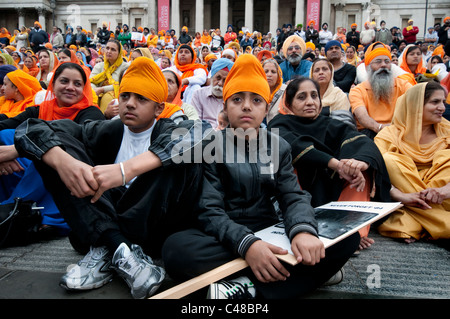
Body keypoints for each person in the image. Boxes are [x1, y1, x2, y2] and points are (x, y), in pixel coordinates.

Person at [162, 54, 360, 299]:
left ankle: (242, 287)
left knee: (346, 238)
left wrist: (302, 231)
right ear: (225, 107)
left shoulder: (278, 146)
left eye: (256, 100)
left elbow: (293, 197)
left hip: (269, 228)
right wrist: (248, 246)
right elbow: (209, 211)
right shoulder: (209, 146)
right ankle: (292, 276)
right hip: (226, 236)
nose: (246, 106)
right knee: (176, 250)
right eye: (237, 99)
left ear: (266, 108)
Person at [12, 56, 210, 299]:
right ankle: (122, 252)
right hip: (113, 211)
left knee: (183, 160)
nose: (130, 104)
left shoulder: (168, 127)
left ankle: (106, 244)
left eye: (141, 98)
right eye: (125, 96)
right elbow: (31, 129)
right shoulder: (108, 129)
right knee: (51, 149)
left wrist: (126, 170)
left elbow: (202, 135)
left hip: (155, 222)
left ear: (159, 108)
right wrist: (63, 162)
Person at [268, 76, 391, 250]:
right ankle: (311, 226)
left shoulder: (331, 123)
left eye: (314, 96)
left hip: (330, 187)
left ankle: (349, 230)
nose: (310, 102)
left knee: (361, 172)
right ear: (289, 103)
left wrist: (357, 163)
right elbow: (292, 146)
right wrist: (335, 164)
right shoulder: (279, 124)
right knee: (289, 163)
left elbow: (360, 142)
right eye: (301, 97)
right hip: (300, 194)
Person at [0, 62, 105, 234]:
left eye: (77, 84)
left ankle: (16, 209)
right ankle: (14, 206)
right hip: (29, 173)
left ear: (84, 88)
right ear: (53, 84)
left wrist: (18, 149)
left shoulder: (91, 114)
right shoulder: (40, 110)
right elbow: (4, 125)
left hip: (70, 179)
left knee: (49, 152)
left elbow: (74, 142)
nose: (70, 88)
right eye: (64, 81)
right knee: (5, 136)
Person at [374, 82, 450, 243]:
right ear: (415, 105)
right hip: (403, 196)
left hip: (444, 197)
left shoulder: (447, 130)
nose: (442, 108)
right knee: (389, 160)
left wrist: (444, 191)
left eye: (443, 102)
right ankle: (442, 224)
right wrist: (400, 196)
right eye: (435, 102)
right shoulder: (389, 135)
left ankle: (420, 221)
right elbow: (375, 172)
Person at [349, 43, 412, 139]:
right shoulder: (358, 90)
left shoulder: (403, 85)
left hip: (400, 131)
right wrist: (379, 127)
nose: (383, 65)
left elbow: (415, 108)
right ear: (368, 67)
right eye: (378, 62)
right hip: (370, 133)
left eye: (387, 62)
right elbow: (362, 117)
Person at [309, 58, 355, 129]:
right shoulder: (307, 96)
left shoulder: (339, 96)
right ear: (312, 75)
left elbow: (342, 124)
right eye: (316, 70)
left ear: (331, 73)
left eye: (325, 69)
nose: (321, 72)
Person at [190, 57, 233, 129]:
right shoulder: (198, 95)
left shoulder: (233, 98)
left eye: (225, 80)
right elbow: (195, 123)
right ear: (212, 77)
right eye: (218, 78)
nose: (220, 83)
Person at [90, 38, 130, 113]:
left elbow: (121, 84)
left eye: (113, 49)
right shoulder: (99, 66)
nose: (109, 51)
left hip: (116, 95)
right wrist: (95, 90)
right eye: (107, 48)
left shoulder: (125, 67)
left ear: (119, 53)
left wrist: (102, 89)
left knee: (107, 97)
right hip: (97, 93)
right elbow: (91, 81)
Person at [262, 58, 286, 123]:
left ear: (278, 74)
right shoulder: (256, 92)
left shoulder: (286, 91)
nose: (269, 75)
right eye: (266, 71)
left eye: (273, 72)